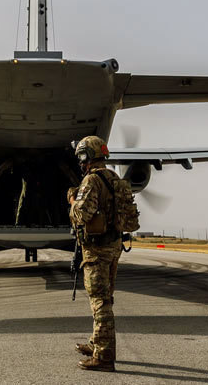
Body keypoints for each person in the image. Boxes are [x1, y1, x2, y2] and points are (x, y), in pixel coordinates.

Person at [68, 135, 122, 372]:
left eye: (81, 157)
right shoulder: (113, 177)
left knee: (99, 301)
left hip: (97, 249)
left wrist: (72, 201)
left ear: (86, 157)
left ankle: (104, 356)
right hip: (114, 246)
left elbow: (82, 215)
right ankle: (97, 343)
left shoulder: (91, 180)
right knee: (106, 298)